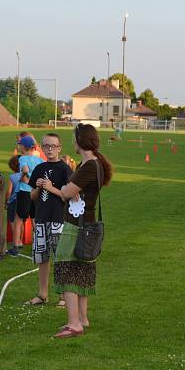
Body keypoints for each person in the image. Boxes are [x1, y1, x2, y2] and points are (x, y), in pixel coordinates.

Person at [46, 123, 113, 338]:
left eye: (74, 138)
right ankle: (82, 318)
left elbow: (65, 192)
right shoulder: (92, 164)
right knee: (82, 271)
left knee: (66, 268)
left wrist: (69, 190)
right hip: (86, 223)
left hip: (77, 225)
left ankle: (74, 324)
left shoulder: (89, 166)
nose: (72, 142)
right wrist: (71, 190)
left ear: (81, 140)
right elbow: (72, 190)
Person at [24, 133, 72, 306]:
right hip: (42, 219)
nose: (50, 149)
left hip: (59, 219)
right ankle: (42, 294)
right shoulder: (39, 168)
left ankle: (63, 296)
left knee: (60, 257)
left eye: (53, 146)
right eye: (46, 146)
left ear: (59, 148)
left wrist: (52, 188)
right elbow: (32, 197)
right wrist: (37, 187)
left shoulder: (65, 169)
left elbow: (68, 197)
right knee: (42, 258)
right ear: (42, 148)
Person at [10, 136, 44, 256]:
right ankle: (39, 245)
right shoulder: (40, 160)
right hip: (37, 192)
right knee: (35, 218)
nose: (19, 147)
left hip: (24, 192)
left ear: (24, 147)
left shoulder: (23, 158)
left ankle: (15, 247)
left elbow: (24, 170)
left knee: (18, 219)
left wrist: (26, 174)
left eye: (20, 145)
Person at [5, 155, 22, 256]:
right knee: (20, 221)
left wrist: (6, 201)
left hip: (13, 201)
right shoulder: (24, 175)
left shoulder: (12, 177)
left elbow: (9, 192)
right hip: (22, 199)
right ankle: (20, 241)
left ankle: (16, 242)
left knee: (12, 221)